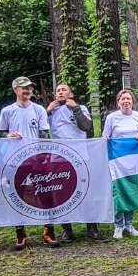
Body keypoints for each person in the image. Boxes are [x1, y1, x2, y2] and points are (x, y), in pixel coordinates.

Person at [0, 76, 57, 250]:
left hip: (37, 159)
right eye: (24, 88)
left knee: (46, 194)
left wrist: (43, 157)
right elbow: (0, 133)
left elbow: (45, 134)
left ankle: (49, 231)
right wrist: (8, 136)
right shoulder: (7, 111)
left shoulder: (38, 110)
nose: (28, 91)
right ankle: (20, 233)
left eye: (30, 88)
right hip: (16, 160)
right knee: (18, 195)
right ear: (15, 89)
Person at [47, 83, 106, 243]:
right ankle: (67, 230)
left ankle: (92, 229)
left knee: (86, 191)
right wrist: (47, 111)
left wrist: (76, 109)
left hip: (80, 158)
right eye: (58, 90)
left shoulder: (81, 108)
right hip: (58, 159)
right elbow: (41, 131)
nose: (60, 92)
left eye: (63, 89)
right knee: (61, 194)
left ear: (70, 93)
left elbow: (87, 127)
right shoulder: (51, 111)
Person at [102, 89, 138, 239]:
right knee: (118, 193)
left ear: (133, 101)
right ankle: (118, 226)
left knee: (131, 192)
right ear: (118, 102)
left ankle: (129, 224)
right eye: (123, 99)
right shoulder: (111, 118)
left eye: (128, 99)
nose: (126, 101)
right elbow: (105, 137)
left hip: (134, 162)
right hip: (117, 163)